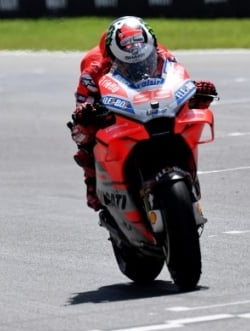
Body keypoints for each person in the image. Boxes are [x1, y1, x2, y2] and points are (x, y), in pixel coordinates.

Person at [68, 16, 218, 211]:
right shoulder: (93, 71)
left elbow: (177, 80)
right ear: (112, 56)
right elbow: (81, 105)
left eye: (142, 56)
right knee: (82, 132)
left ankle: (186, 170)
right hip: (115, 111)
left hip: (152, 104)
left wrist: (196, 93)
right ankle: (92, 182)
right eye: (127, 57)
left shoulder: (164, 56)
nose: (139, 63)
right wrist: (85, 112)